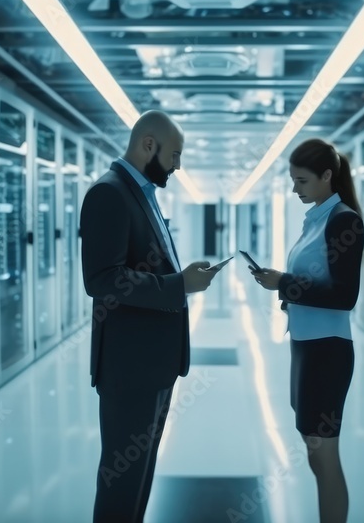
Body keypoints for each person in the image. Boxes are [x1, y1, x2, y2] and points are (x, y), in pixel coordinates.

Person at [79, 110, 220, 523]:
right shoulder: (109, 193)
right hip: (129, 369)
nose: (178, 166)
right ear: (148, 145)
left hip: (151, 366)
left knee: (138, 477)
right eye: (174, 155)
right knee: (121, 481)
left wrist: (180, 278)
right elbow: (103, 279)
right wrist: (180, 286)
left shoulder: (140, 193)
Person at [252, 139, 364, 523]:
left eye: (301, 181)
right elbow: (319, 284)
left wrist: (285, 284)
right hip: (306, 348)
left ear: (327, 177)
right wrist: (290, 292)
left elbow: (344, 295)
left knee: (325, 457)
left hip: (327, 352)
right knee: (316, 454)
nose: (294, 189)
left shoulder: (343, 220)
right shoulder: (317, 217)